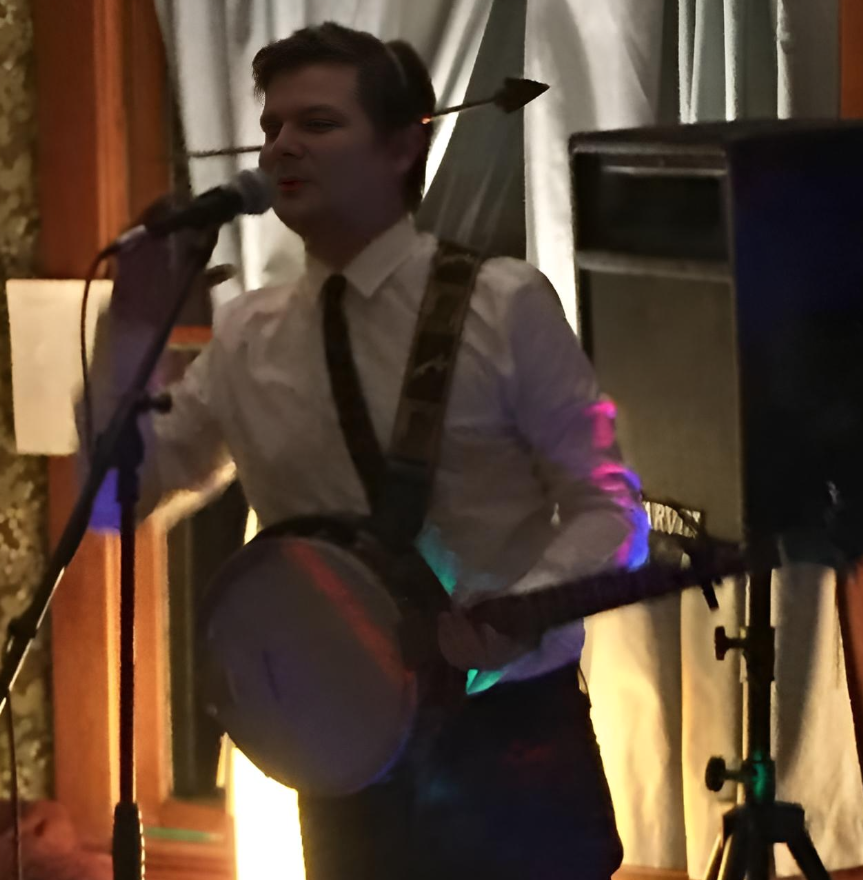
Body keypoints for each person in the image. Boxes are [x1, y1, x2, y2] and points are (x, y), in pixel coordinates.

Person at [92, 21, 648, 880]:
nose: (283, 145)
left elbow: (610, 510)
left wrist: (520, 608)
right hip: (342, 756)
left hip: (510, 746)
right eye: (272, 125)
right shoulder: (247, 338)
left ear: (400, 147)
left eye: (317, 123)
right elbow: (112, 501)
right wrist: (128, 331)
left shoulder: (503, 306)